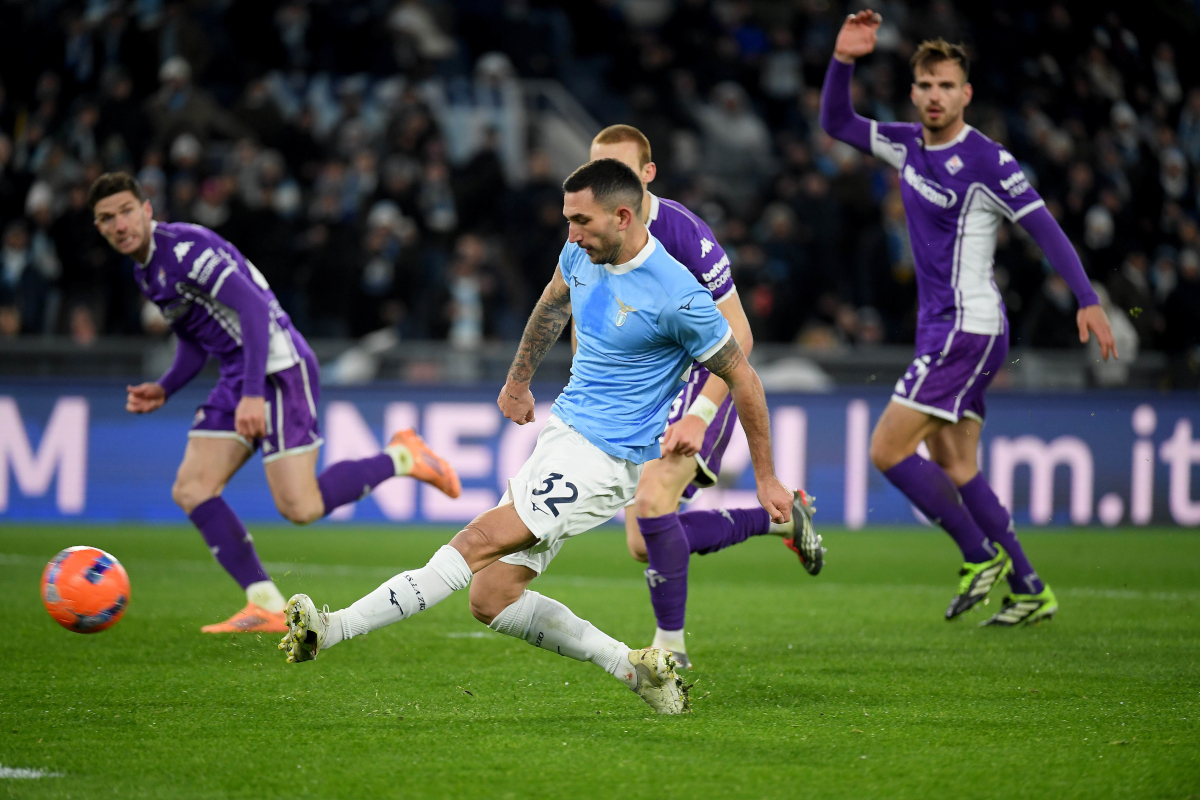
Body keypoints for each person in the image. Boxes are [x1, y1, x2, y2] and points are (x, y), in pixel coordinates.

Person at [278, 159, 795, 714]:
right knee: (491, 597)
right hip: (563, 435)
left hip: (606, 459)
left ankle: (332, 630)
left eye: (581, 220)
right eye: (567, 219)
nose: (570, 233)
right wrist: (518, 381)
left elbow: (742, 374)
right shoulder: (581, 252)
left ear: (623, 216)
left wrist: (765, 475)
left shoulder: (676, 294)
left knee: (477, 541)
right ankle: (633, 668)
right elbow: (554, 300)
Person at [821, 13, 1117, 626]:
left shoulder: (988, 161)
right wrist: (844, 59)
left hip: (969, 329)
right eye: (926, 85)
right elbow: (836, 122)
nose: (935, 96)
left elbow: (1046, 229)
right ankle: (1032, 586)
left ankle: (978, 554)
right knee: (957, 464)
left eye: (947, 86)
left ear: (966, 94)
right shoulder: (904, 143)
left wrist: (1088, 298)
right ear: (914, 91)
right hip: (944, 329)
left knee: (885, 450)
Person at [89, 172, 462, 634]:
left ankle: (403, 456)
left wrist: (251, 395)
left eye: (126, 211)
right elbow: (193, 339)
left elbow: (252, 310)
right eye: (106, 218)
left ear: (147, 210)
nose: (119, 224)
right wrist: (166, 386)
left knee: (300, 508)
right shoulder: (147, 271)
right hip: (239, 373)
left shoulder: (186, 250)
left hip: (279, 369)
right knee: (192, 488)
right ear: (99, 228)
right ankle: (264, 603)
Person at [588, 124, 822, 669]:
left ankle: (670, 650)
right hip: (644, 386)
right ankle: (781, 520)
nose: (606, 185)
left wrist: (700, 413)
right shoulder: (591, 230)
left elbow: (739, 335)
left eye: (620, 173)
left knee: (650, 505)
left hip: (696, 377)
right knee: (645, 542)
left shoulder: (684, 234)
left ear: (647, 175)